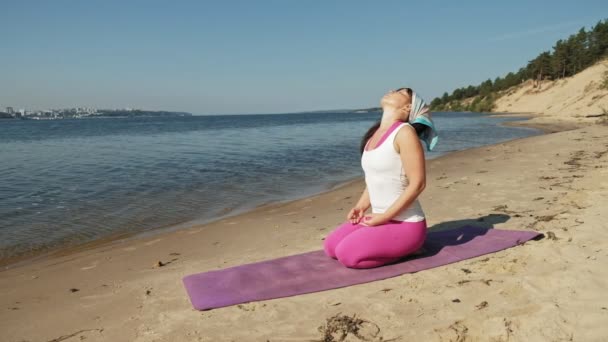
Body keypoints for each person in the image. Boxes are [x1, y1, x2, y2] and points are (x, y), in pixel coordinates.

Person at [323, 87, 438, 269]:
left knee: (347, 255)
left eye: (400, 93)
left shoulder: (405, 133)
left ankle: (411, 248)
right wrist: (360, 206)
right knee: (330, 247)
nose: (392, 90)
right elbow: (375, 179)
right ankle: (396, 245)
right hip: (381, 218)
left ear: (408, 108)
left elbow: (418, 184)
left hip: (406, 224)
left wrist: (384, 217)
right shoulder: (373, 135)